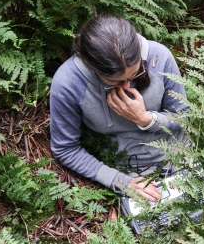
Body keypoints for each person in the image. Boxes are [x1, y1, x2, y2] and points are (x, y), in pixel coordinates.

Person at [50, 15, 188, 203]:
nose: (127, 85)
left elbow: (184, 116)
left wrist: (146, 120)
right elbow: (65, 149)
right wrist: (120, 181)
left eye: (135, 74)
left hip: (180, 155)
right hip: (128, 169)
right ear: (92, 68)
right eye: (114, 81)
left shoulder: (159, 57)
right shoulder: (68, 82)